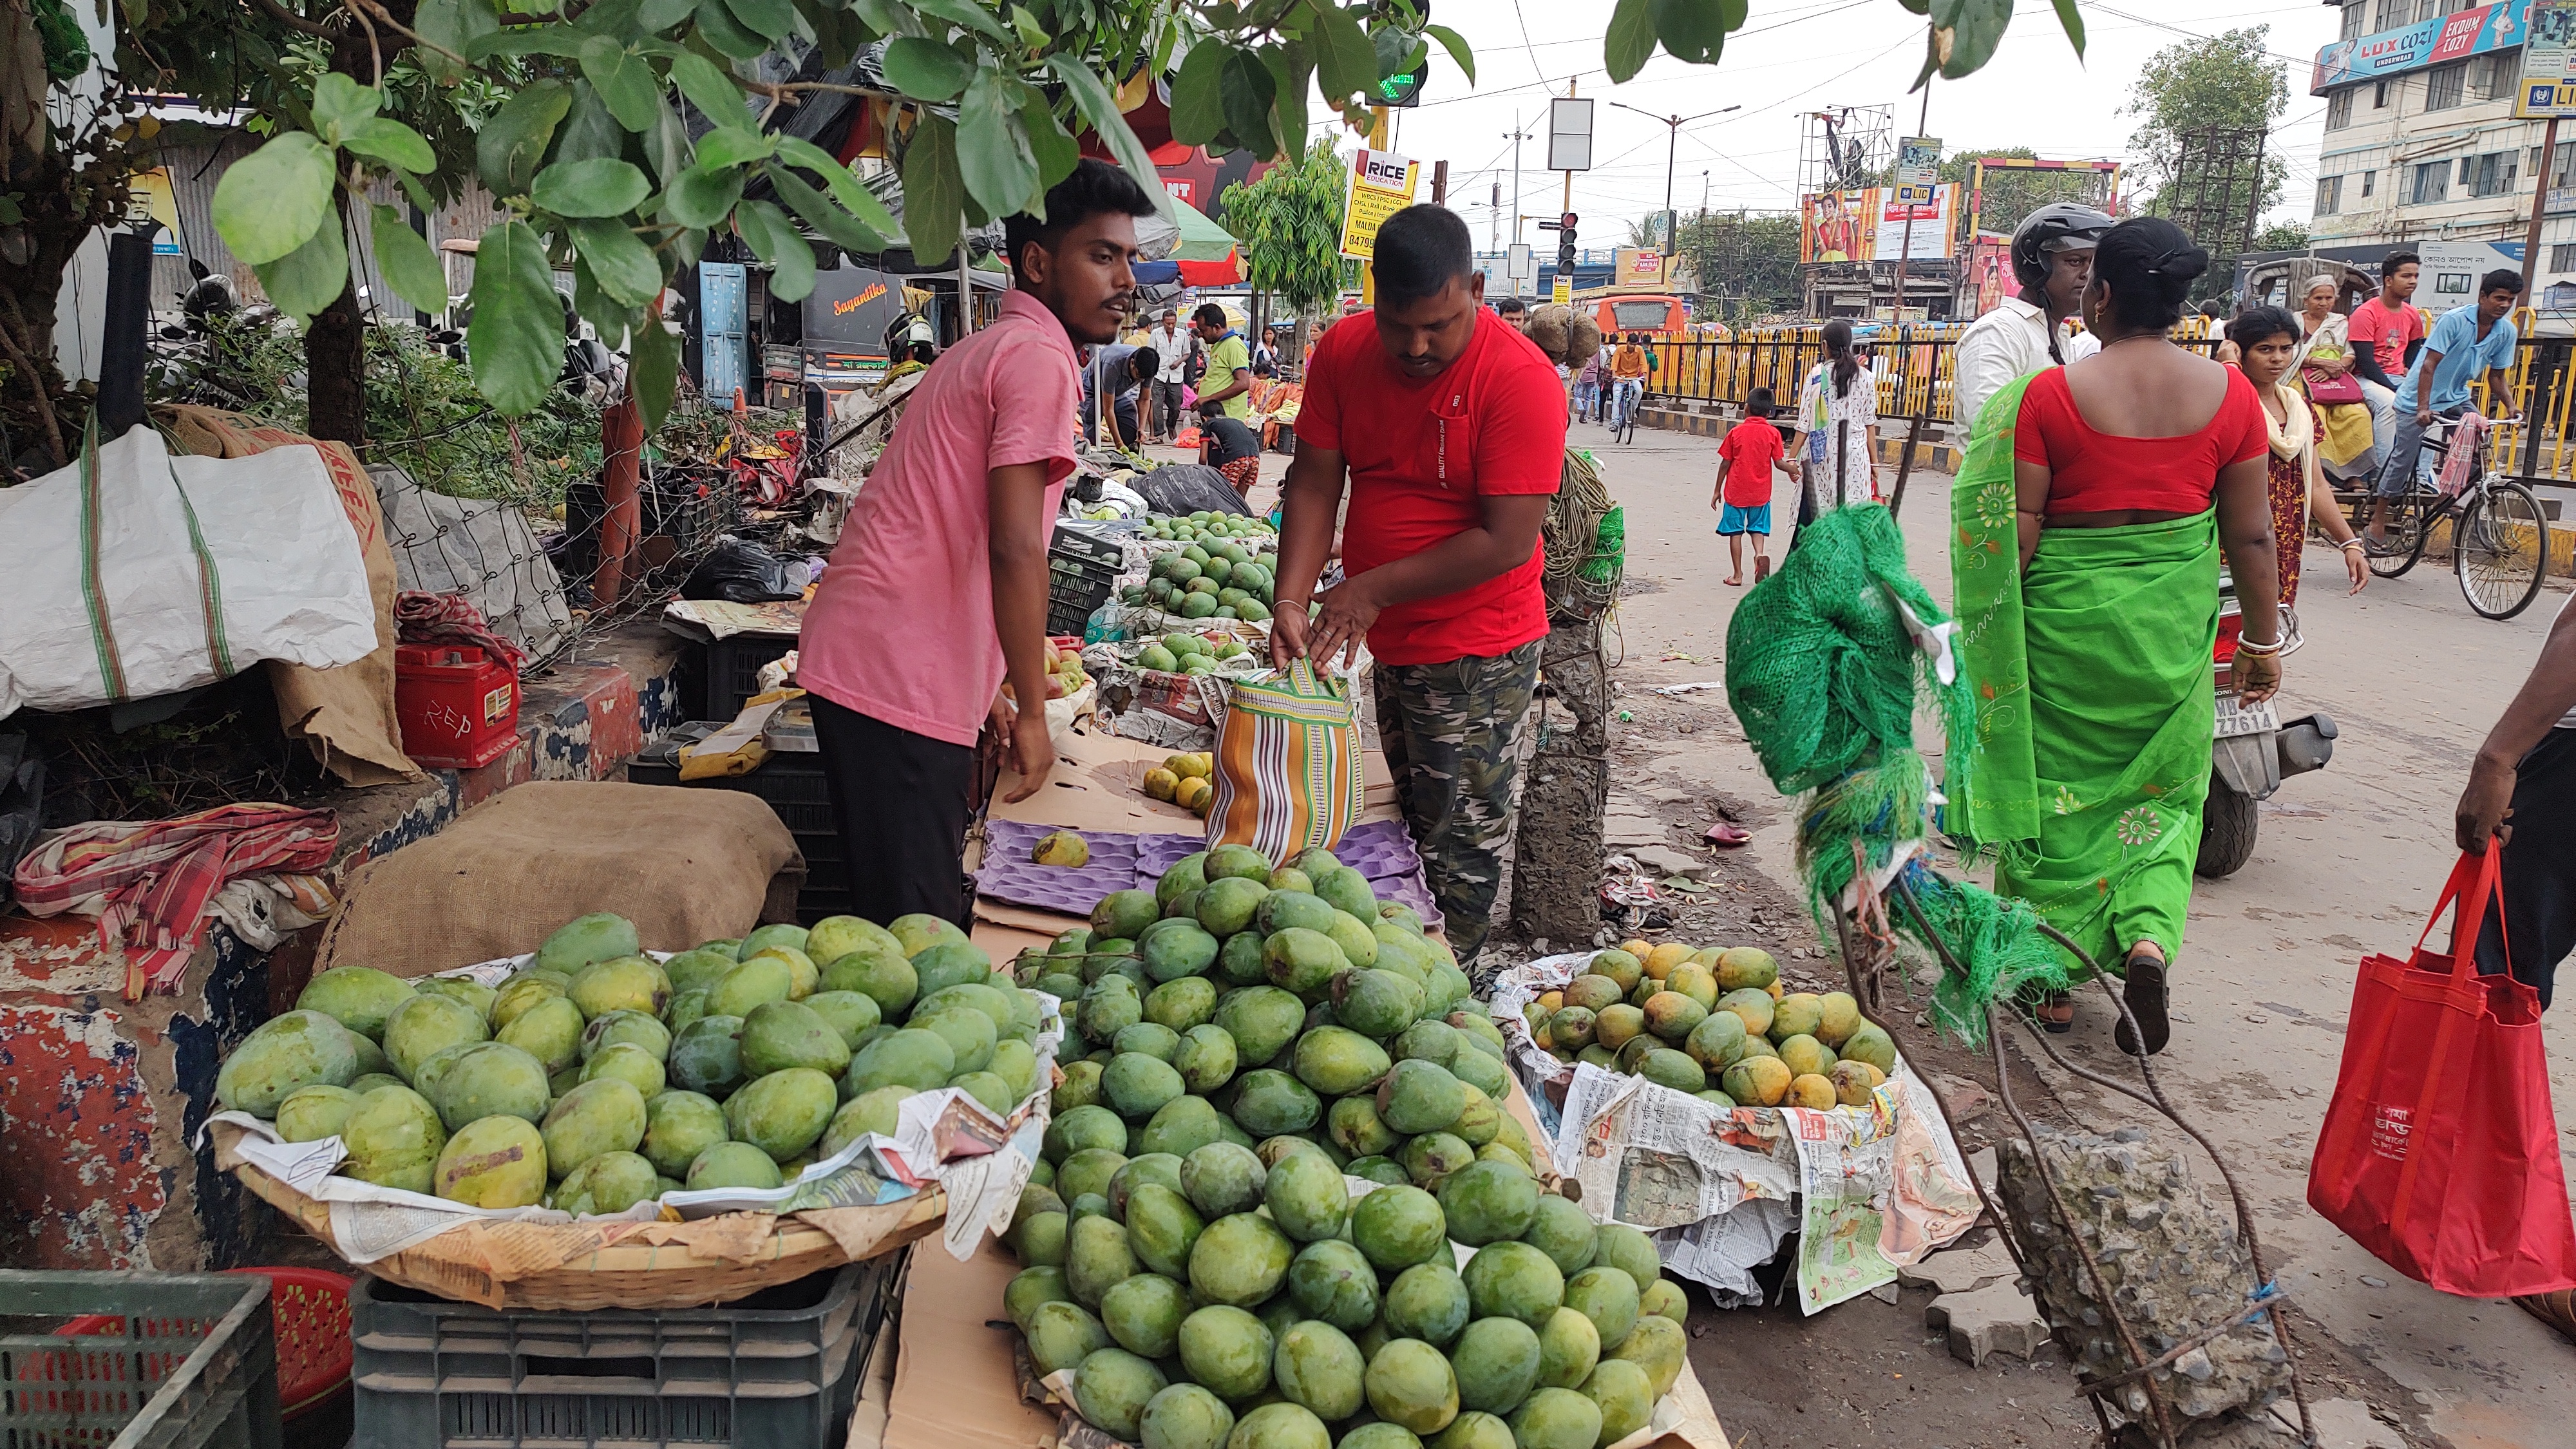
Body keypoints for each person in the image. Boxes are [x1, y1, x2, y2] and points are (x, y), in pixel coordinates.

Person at [1951, 216, 2284, 1054]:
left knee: (2053, 800)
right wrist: (2263, 640)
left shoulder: (2051, 396)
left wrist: (1986, 634)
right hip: (2168, 640)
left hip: (2064, 639)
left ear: (2099, 294)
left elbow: (2015, 530)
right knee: (2164, 804)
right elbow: (2251, 537)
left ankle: (2047, 979)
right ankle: (2144, 941)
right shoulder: (2234, 397)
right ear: (2179, 304)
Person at [795, 159, 1154, 927]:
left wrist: (989, 683)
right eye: (1102, 255)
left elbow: (948, 518)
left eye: (1128, 257)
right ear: (1036, 262)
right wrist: (1031, 708)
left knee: (902, 918)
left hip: (886, 659)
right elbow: (1016, 548)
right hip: (892, 675)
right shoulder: (1034, 357)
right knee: (912, 938)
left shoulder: (992, 347)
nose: (1126, 278)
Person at [1269, 204, 1566, 972]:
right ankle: (1395, 980)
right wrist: (1290, 600)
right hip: (1387, 647)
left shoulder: (1519, 379)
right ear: (1374, 293)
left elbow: (1507, 539)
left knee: (1457, 848)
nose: (1417, 346)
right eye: (1399, 325)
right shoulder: (1341, 351)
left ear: (1474, 288)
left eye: (1439, 324)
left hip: (1478, 649)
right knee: (1399, 828)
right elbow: (1312, 482)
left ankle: (1448, 999)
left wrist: (1369, 589)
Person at [2366, 269, 2524, 550]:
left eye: (2510, 300)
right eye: (2499, 298)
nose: (2504, 305)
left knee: (2480, 444)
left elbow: (2497, 377)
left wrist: (2511, 406)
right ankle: (2378, 517)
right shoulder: (2454, 320)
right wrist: (2423, 408)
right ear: (2483, 296)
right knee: (2405, 456)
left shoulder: (2506, 332)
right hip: (2417, 398)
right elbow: (2429, 365)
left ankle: (2445, 497)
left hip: (2455, 397)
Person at [2224, 307, 2369, 611]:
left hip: (2283, 540)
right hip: (2232, 538)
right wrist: (2227, 364)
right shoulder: (2227, 400)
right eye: (2265, 350)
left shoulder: (2299, 409)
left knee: (2269, 633)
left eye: (2285, 349)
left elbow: (2315, 486)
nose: (2277, 358)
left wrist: (2350, 543)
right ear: (2242, 352)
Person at [1951, 203, 2112, 439]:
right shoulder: (1999, 331)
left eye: (2093, 265)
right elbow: (1991, 425)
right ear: (2037, 268)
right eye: (2075, 261)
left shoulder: (2057, 334)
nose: (2088, 274)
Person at [2347, 251, 2426, 478]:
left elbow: (2413, 348)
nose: (2413, 281)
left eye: (2416, 276)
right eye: (2406, 276)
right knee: (2390, 404)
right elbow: (2365, 361)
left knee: (2433, 408)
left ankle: (2421, 476)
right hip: (2365, 379)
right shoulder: (2366, 313)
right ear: (2388, 280)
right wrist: (2395, 388)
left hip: (2398, 378)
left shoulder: (2412, 314)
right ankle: (2383, 476)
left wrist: (2409, 376)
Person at [1793, 319, 1879, 513]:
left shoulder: (1816, 376)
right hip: (1857, 459)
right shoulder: (1866, 377)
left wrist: (1791, 459)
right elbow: (1869, 424)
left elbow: (1805, 424)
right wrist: (1874, 464)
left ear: (1824, 345)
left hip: (1823, 458)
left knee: (1824, 520)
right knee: (1852, 519)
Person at [1713, 385, 1787, 585]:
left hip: (1736, 492)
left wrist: (1717, 490)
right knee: (1758, 529)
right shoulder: (1773, 434)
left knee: (1735, 533)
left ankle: (1737, 575)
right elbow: (1779, 463)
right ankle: (1759, 555)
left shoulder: (1736, 433)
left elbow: (1725, 463)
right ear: (1770, 412)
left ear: (1746, 408)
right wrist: (1794, 471)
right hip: (1761, 494)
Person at [1083, 343, 1158, 451]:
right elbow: (1108, 409)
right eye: (1138, 377)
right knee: (1093, 419)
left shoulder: (1149, 367)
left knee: (1129, 411)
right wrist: (1119, 444)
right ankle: (1090, 455)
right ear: (1132, 363)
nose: (1141, 381)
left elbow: (1145, 399)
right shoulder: (1113, 365)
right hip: (1092, 388)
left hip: (1117, 391)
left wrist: (1141, 428)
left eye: (1144, 379)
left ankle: (1131, 453)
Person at [1193, 303, 1253, 421]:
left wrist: (1209, 399)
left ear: (1216, 327)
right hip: (1217, 417)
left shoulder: (1234, 345)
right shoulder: (1219, 345)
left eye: (1203, 330)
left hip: (1228, 417)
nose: (1200, 334)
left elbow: (1243, 383)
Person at [1196, 399, 1264, 498]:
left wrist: (1201, 474)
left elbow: (1203, 458)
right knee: (1240, 499)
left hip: (1236, 459)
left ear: (1204, 418)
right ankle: (1242, 512)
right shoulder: (1237, 422)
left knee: (1223, 496)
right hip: (1255, 459)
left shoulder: (1208, 424)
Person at [1147, 307, 1193, 444]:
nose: (1171, 326)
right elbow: (1151, 352)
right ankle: (1159, 434)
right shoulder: (1156, 334)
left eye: (1173, 323)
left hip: (1176, 375)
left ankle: (1171, 426)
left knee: (1176, 405)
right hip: (1158, 374)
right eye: (1168, 323)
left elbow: (1187, 353)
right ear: (1163, 322)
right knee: (1157, 404)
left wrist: (1179, 362)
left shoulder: (1182, 334)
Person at [1608, 334, 1649, 431]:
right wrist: (1614, 375)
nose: (1632, 347)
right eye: (1631, 344)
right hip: (1620, 377)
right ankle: (1615, 423)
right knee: (1616, 399)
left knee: (1639, 391)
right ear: (1627, 342)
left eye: (1634, 345)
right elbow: (1614, 363)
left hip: (1633, 377)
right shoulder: (1620, 349)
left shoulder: (1639, 350)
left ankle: (1632, 409)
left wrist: (1644, 376)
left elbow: (1643, 364)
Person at [1571, 348, 1605, 424]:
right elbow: (1601, 364)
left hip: (1583, 375)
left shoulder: (1584, 350)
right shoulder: (1598, 350)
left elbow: (1581, 364)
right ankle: (1585, 417)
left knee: (1577, 395)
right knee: (1589, 398)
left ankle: (1581, 408)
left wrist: (1578, 375)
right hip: (1593, 376)